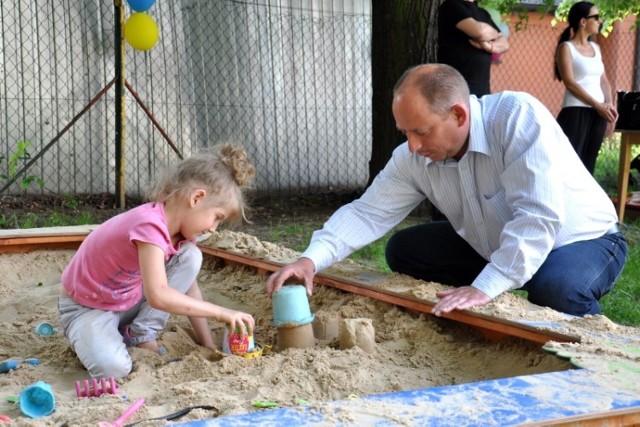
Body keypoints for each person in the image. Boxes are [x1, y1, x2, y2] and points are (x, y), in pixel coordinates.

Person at [265, 64, 627, 318]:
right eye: (404, 132)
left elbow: (538, 218)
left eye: (420, 132)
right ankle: (479, 303)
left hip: (583, 240)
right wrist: (309, 259)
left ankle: (591, 346)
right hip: (498, 241)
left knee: (555, 289)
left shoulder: (517, 117)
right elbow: (367, 212)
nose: (412, 145)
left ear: (458, 114)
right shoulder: (413, 155)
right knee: (405, 251)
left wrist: (486, 286)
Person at [59, 143, 256, 379]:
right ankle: (86, 336)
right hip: (87, 307)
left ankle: (139, 333)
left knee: (191, 256)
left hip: (124, 299)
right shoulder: (150, 224)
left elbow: (189, 290)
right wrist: (221, 312)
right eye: (217, 218)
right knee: (114, 369)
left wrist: (209, 345)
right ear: (197, 199)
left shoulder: (178, 236)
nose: (213, 229)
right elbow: (159, 295)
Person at [554, 1, 617, 175]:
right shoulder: (566, 48)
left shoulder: (596, 48)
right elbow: (570, 83)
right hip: (576, 112)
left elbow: (603, 80)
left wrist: (609, 104)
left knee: (589, 165)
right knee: (570, 163)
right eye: (596, 17)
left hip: (598, 114)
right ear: (583, 21)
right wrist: (598, 104)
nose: (600, 21)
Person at [438, 0, 509, 97]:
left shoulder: (484, 13)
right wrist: (494, 35)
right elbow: (480, 31)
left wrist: (489, 47)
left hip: (482, 88)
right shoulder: (451, 5)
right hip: (455, 88)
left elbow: (505, 44)